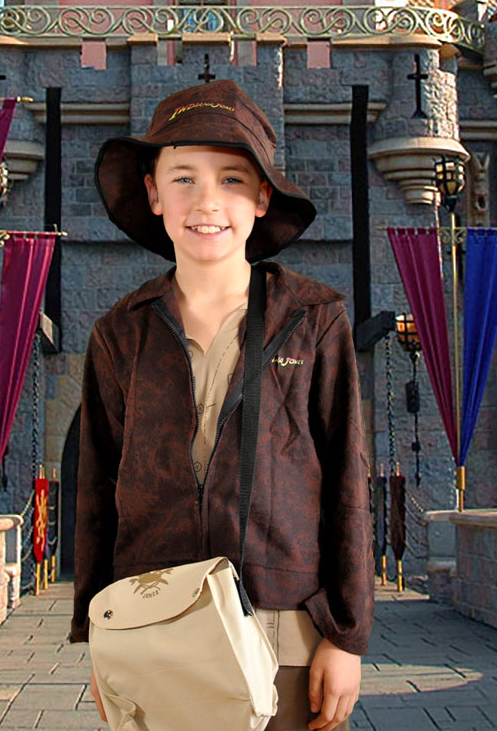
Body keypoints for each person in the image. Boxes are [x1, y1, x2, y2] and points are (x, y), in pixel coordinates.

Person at [70, 80, 372, 731]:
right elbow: (95, 494)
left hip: (287, 625)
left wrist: (345, 635)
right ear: (153, 192)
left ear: (262, 197)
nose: (207, 202)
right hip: (155, 628)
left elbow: (348, 483)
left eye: (231, 179)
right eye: (183, 178)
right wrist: (99, 633)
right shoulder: (119, 334)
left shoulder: (314, 320)